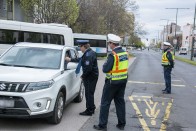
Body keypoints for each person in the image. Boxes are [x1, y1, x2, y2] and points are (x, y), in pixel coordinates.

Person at [93, 34, 129, 130]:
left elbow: (106, 69)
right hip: (123, 81)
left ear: (113, 44)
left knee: (105, 103)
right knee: (120, 102)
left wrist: (105, 65)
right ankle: (121, 124)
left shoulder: (113, 55)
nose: (109, 45)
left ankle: (102, 125)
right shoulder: (125, 53)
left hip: (112, 82)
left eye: (109, 43)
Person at [65, 40, 99, 116]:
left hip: (90, 77)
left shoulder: (88, 55)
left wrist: (83, 76)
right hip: (92, 76)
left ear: (84, 46)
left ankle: (89, 111)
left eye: (80, 47)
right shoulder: (89, 52)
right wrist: (70, 59)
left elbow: (88, 68)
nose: (80, 48)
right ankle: (92, 108)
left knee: (88, 94)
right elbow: (81, 60)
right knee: (90, 93)